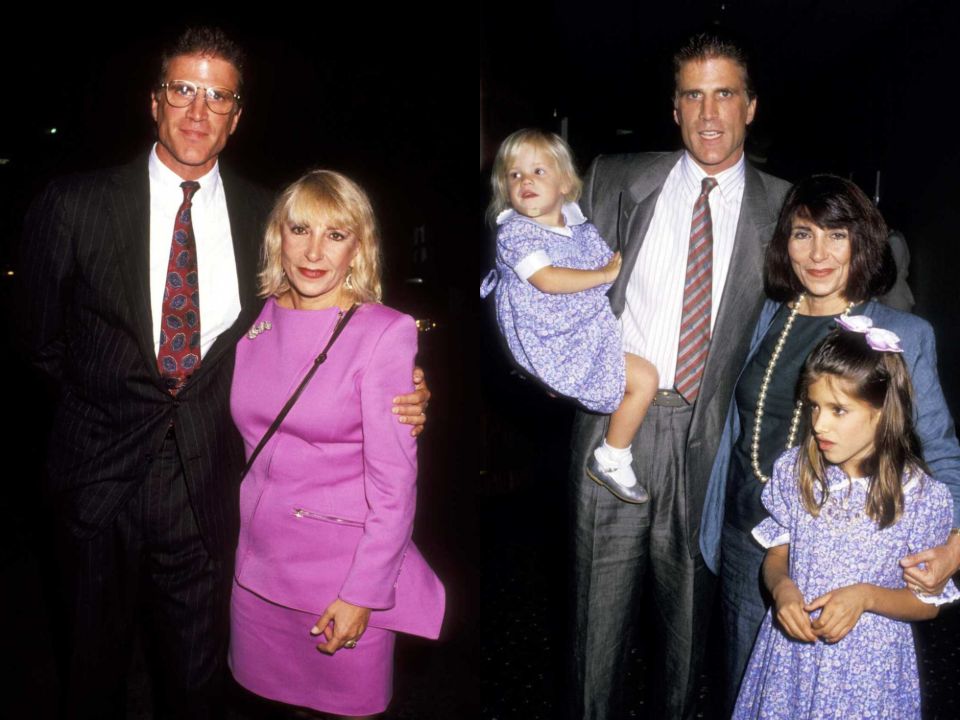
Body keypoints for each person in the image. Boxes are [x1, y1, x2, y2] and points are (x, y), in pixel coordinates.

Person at [19, 27, 427, 717]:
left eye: (218, 96)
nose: (198, 111)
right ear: (155, 101)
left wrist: (409, 387)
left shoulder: (269, 216)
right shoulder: (74, 205)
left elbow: (325, 321)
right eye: (183, 89)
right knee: (91, 681)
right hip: (95, 491)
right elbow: (36, 340)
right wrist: (107, 408)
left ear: (237, 117)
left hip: (209, 498)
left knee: (196, 690)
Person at [569, 30, 791, 720]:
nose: (709, 113)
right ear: (674, 109)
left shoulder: (786, 208)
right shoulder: (615, 177)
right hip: (613, 430)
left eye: (725, 93)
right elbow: (553, 299)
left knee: (686, 642)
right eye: (693, 95)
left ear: (751, 106)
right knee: (592, 634)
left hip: (710, 444)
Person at [696, 175, 960, 710]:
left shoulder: (902, 335)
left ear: (862, 243)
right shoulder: (763, 318)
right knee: (755, 690)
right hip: (755, 540)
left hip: (846, 556)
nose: (818, 252)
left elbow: (941, 451)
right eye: (802, 234)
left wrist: (954, 547)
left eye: (836, 235)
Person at [228, 170, 444, 718]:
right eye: (300, 229)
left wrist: (362, 595)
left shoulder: (384, 332)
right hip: (256, 575)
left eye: (336, 234)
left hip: (340, 583)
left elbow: (395, 485)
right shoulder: (256, 320)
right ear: (278, 236)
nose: (314, 251)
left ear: (360, 246)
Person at [732, 324, 958, 719]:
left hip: (869, 672)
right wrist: (782, 588)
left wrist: (867, 597)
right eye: (814, 406)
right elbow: (777, 552)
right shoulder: (795, 472)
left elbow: (927, 604)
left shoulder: (919, 496)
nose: (819, 424)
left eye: (839, 410)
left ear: (883, 411)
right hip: (791, 659)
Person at [481, 128, 659, 503]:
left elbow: (612, 264)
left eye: (538, 172)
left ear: (565, 183)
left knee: (640, 372)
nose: (525, 181)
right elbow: (547, 279)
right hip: (554, 340)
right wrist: (604, 275)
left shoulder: (579, 228)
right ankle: (612, 457)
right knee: (645, 379)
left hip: (581, 330)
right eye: (515, 175)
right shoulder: (516, 232)